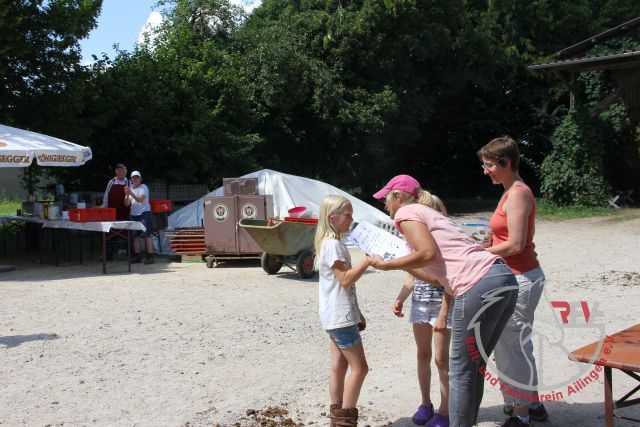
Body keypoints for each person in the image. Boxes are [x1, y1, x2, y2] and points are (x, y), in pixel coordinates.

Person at [369, 174, 518, 427]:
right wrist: (397, 263)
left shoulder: (406, 213)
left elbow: (427, 253)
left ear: (399, 196)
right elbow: (436, 277)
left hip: (477, 284)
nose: (385, 205)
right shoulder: (430, 215)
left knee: (460, 370)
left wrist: (386, 265)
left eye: (387, 198)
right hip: (503, 278)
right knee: (474, 366)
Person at [478, 137, 547, 427]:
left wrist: (477, 253)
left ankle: (521, 414)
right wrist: (488, 243)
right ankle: (532, 404)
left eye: (489, 165)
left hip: (520, 277)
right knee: (516, 344)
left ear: (506, 163)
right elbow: (507, 238)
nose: (485, 171)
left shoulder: (517, 193)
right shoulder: (510, 191)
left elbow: (517, 244)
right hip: (515, 276)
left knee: (511, 346)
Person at [392, 193, 452, 427]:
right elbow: (411, 278)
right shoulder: (418, 244)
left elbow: (451, 283)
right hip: (420, 306)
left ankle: (445, 410)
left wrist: (444, 313)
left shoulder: (446, 246)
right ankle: (426, 403)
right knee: (423, 354)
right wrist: (400, 299)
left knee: (441, 358)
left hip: (441, 307)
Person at [314, 195, 371, 427]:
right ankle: (344, 422)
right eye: (347, 215)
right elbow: (345, 280)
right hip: (341, 318)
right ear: (332, 218)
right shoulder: (334, 245)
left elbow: (340, 287)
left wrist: (357, 312)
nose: (351, 219)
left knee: (339, 366)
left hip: (334, 316)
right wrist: (367, 261)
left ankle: (336, 416)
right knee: (360, 368)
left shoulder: (327, 243)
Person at [123, 170, 154, 264]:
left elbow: (140, 199)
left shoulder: (143, 187)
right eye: (133, 178)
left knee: (147, 235)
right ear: (131, 179)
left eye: (137, 177)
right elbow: (126, 204)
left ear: (140, 179)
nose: (135, 179)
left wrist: (131, 193)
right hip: (133, 214)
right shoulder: (130, 188)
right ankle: (137, 256)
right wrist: (127, 195)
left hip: (144, 213)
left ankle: (150, 256)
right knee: (135, 235)